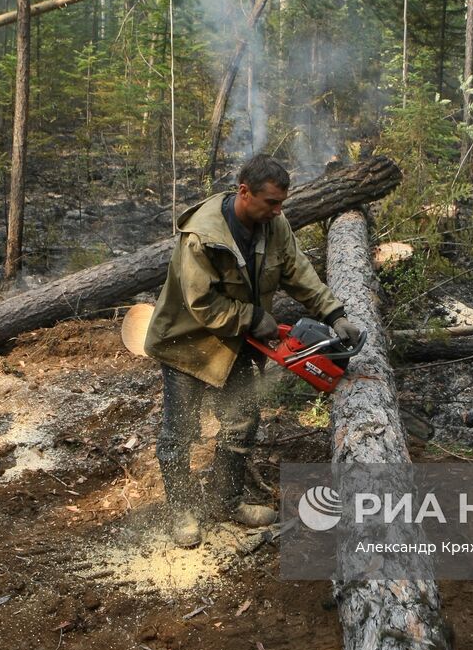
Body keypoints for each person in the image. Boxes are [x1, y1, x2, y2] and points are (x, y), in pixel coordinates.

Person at [144, 155, 361, 548]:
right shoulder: (202, 236)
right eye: (272, 202)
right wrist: (251, 317)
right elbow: (202, 304)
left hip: (237, 343)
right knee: (180, 433)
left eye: (281, 203)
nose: (279, 211)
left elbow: (297, 270)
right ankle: (183, 510)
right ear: (244, 192)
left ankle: (227, 502)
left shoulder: (272, 224)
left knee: (241, 422)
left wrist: (334, 313)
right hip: (187, 343)